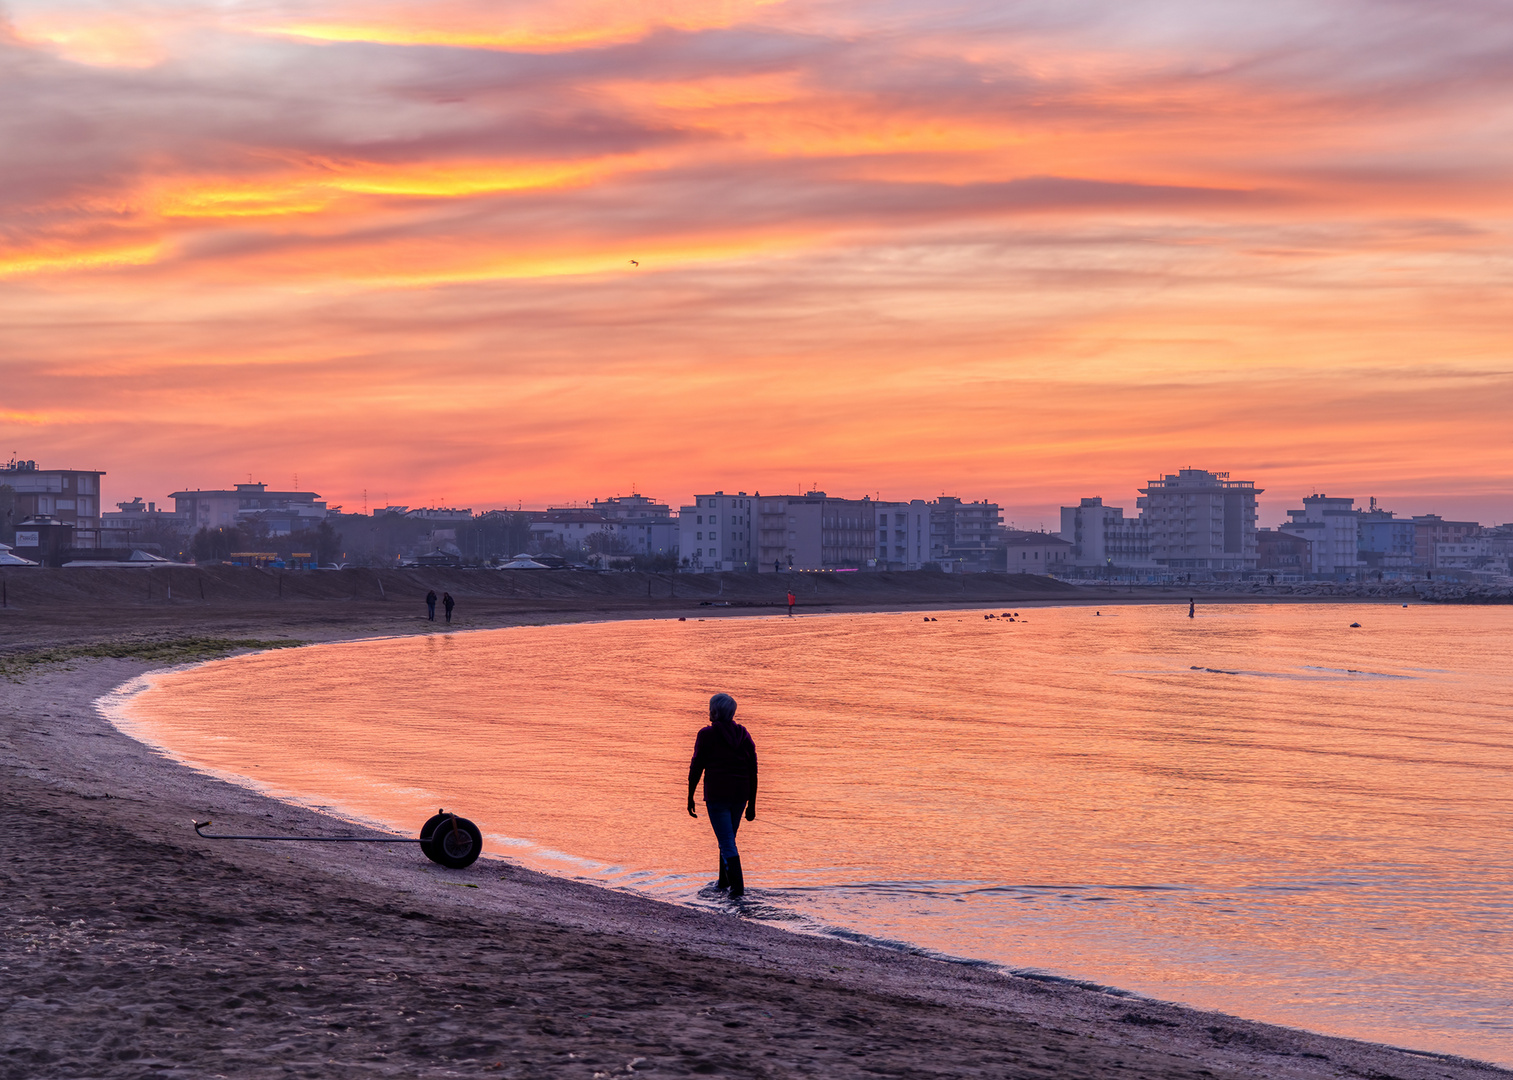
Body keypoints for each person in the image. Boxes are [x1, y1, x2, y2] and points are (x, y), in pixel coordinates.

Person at [687, 693, 758, 898]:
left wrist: (690, 795)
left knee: (726, 841)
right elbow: (752, 771)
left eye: (710, 708)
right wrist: (751, 804)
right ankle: (723, 883)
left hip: (718, 795)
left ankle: (737, 892)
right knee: (727, 839)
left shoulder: (706, 735)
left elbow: (696, 767)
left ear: (715, 712)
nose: (709, 711)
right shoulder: (744, 735)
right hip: (740, 795)